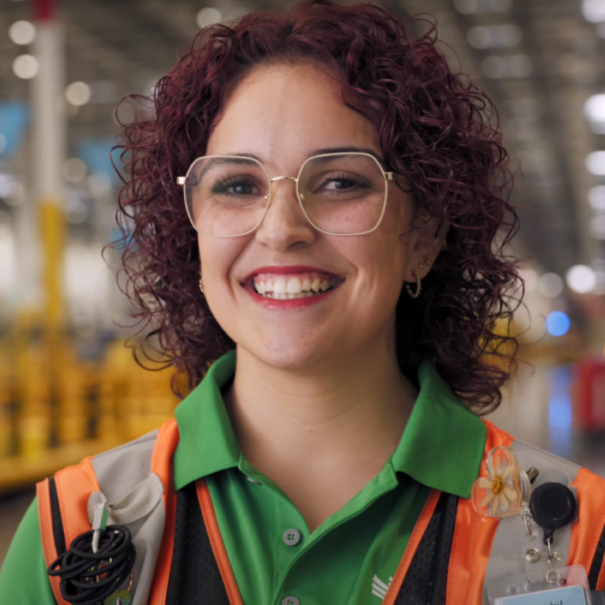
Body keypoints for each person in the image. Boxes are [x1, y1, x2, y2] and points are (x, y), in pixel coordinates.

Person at [2, 0, 605, 603]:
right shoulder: (76, 533)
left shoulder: (578, 541)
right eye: (237, 185)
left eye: (342, 181)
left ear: (422, 236)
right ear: (193, 238)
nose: (281, 228)